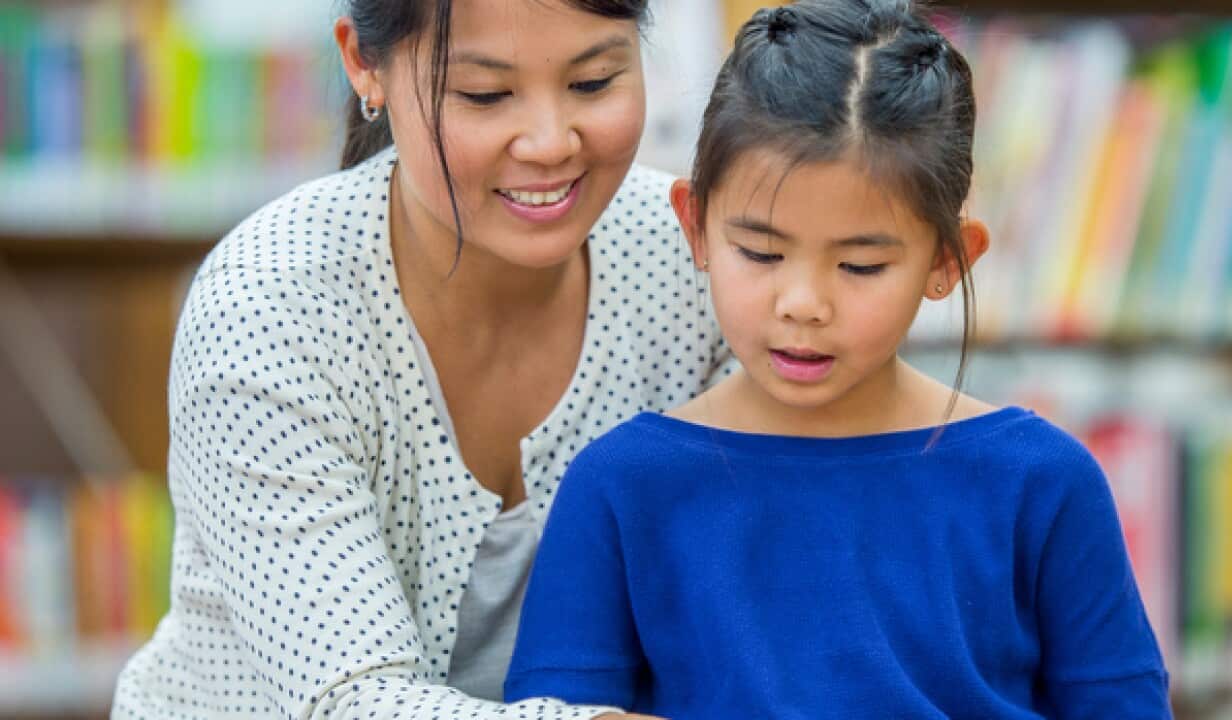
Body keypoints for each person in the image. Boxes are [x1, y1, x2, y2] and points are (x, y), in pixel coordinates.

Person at [504, 1, 1173, 718]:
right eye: (760, 253)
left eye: (859, 266)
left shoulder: (1044, 483)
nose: (803, 302)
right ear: (695, 227)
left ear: (948, 261)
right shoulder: (620, 486)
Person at [112, 0, 729, 717]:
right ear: (362, 64)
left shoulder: (704, 260)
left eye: (592, 82)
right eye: (485, 94)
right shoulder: (270, 308)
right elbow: (350, 701)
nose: (550, 141)